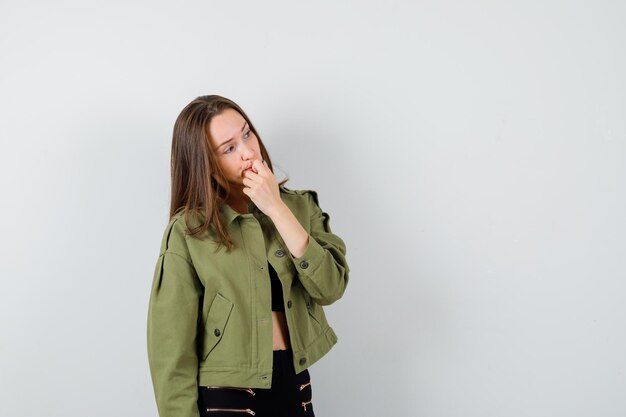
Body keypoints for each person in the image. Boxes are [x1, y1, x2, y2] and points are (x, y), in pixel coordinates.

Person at [147, 95, 350, 417]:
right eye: (228, 148)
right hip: (227, 390)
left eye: (247, 133)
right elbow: (171, 347)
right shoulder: (189, 231)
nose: (248, 151)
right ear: (206, 164)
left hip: (294, 380)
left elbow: (331, 287)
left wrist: (276, 208)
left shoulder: (300, 206)